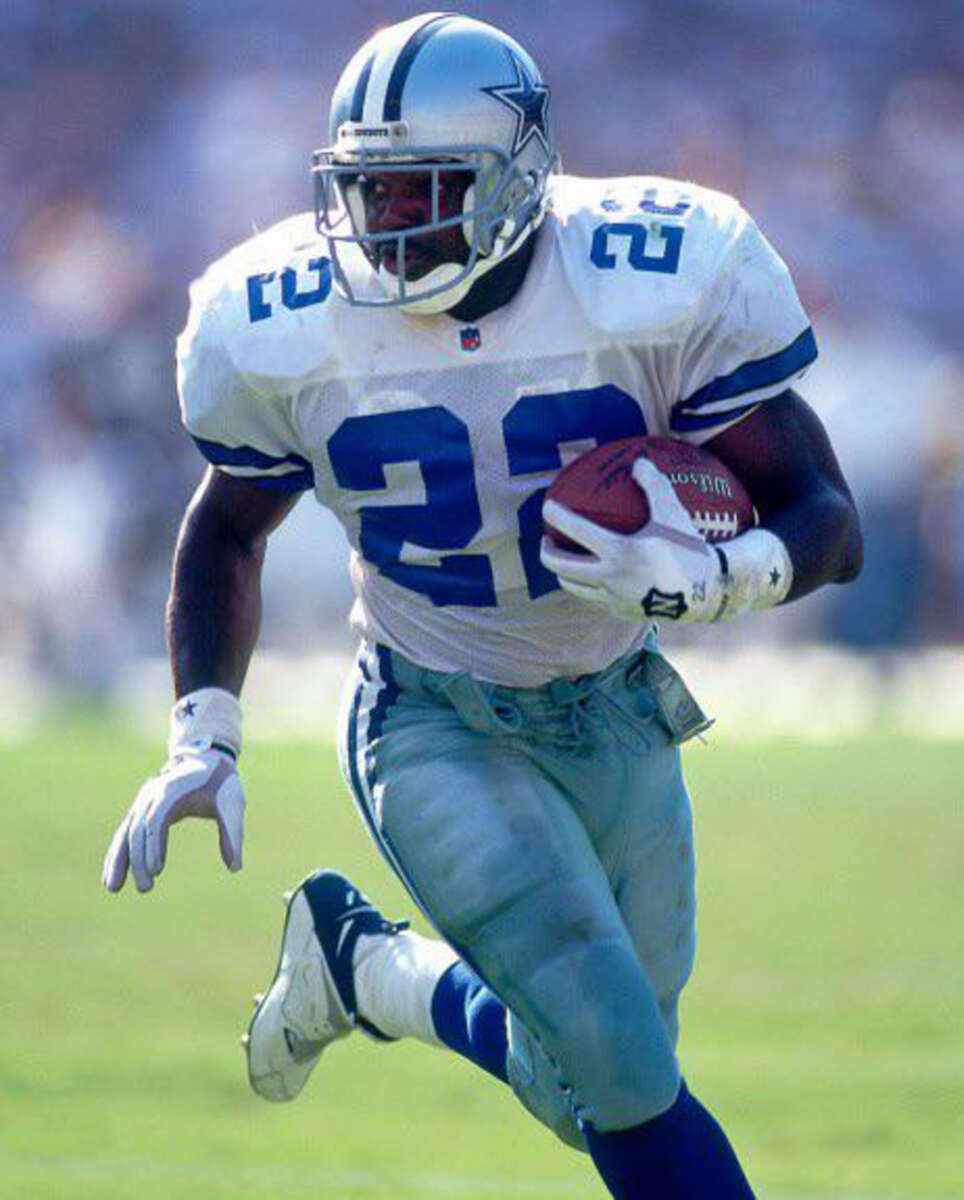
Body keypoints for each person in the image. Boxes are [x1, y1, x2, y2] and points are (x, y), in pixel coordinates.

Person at [102, 13, 862, 1198]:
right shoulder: (279, 321)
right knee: (619, 1068)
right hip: (429, 715)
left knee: (594, 1084)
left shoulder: (653, 278)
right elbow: (227, 527)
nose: (386, 225)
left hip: (615, 703)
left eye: (421, 190)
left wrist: (720, 578)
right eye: (366, 192)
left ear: (516, 178)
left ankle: (367, 974)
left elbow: (824, 516)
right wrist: (203, 733)